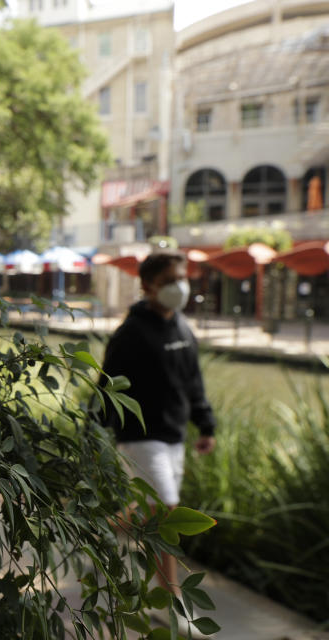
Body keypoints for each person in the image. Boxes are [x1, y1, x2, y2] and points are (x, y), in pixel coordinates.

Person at [100, 251, 216, 614]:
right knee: (167, 517)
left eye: (181, 278)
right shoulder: (131, 333)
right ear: (147, 286)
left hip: (174, 435)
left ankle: (106, 520)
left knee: (153, 516)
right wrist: (96, 433)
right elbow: (107, 387)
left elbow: (193, 383)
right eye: (168, 281)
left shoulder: (183, 328)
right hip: (140, 435)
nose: (178, 287)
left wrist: (206, 423)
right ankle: (173, 605)